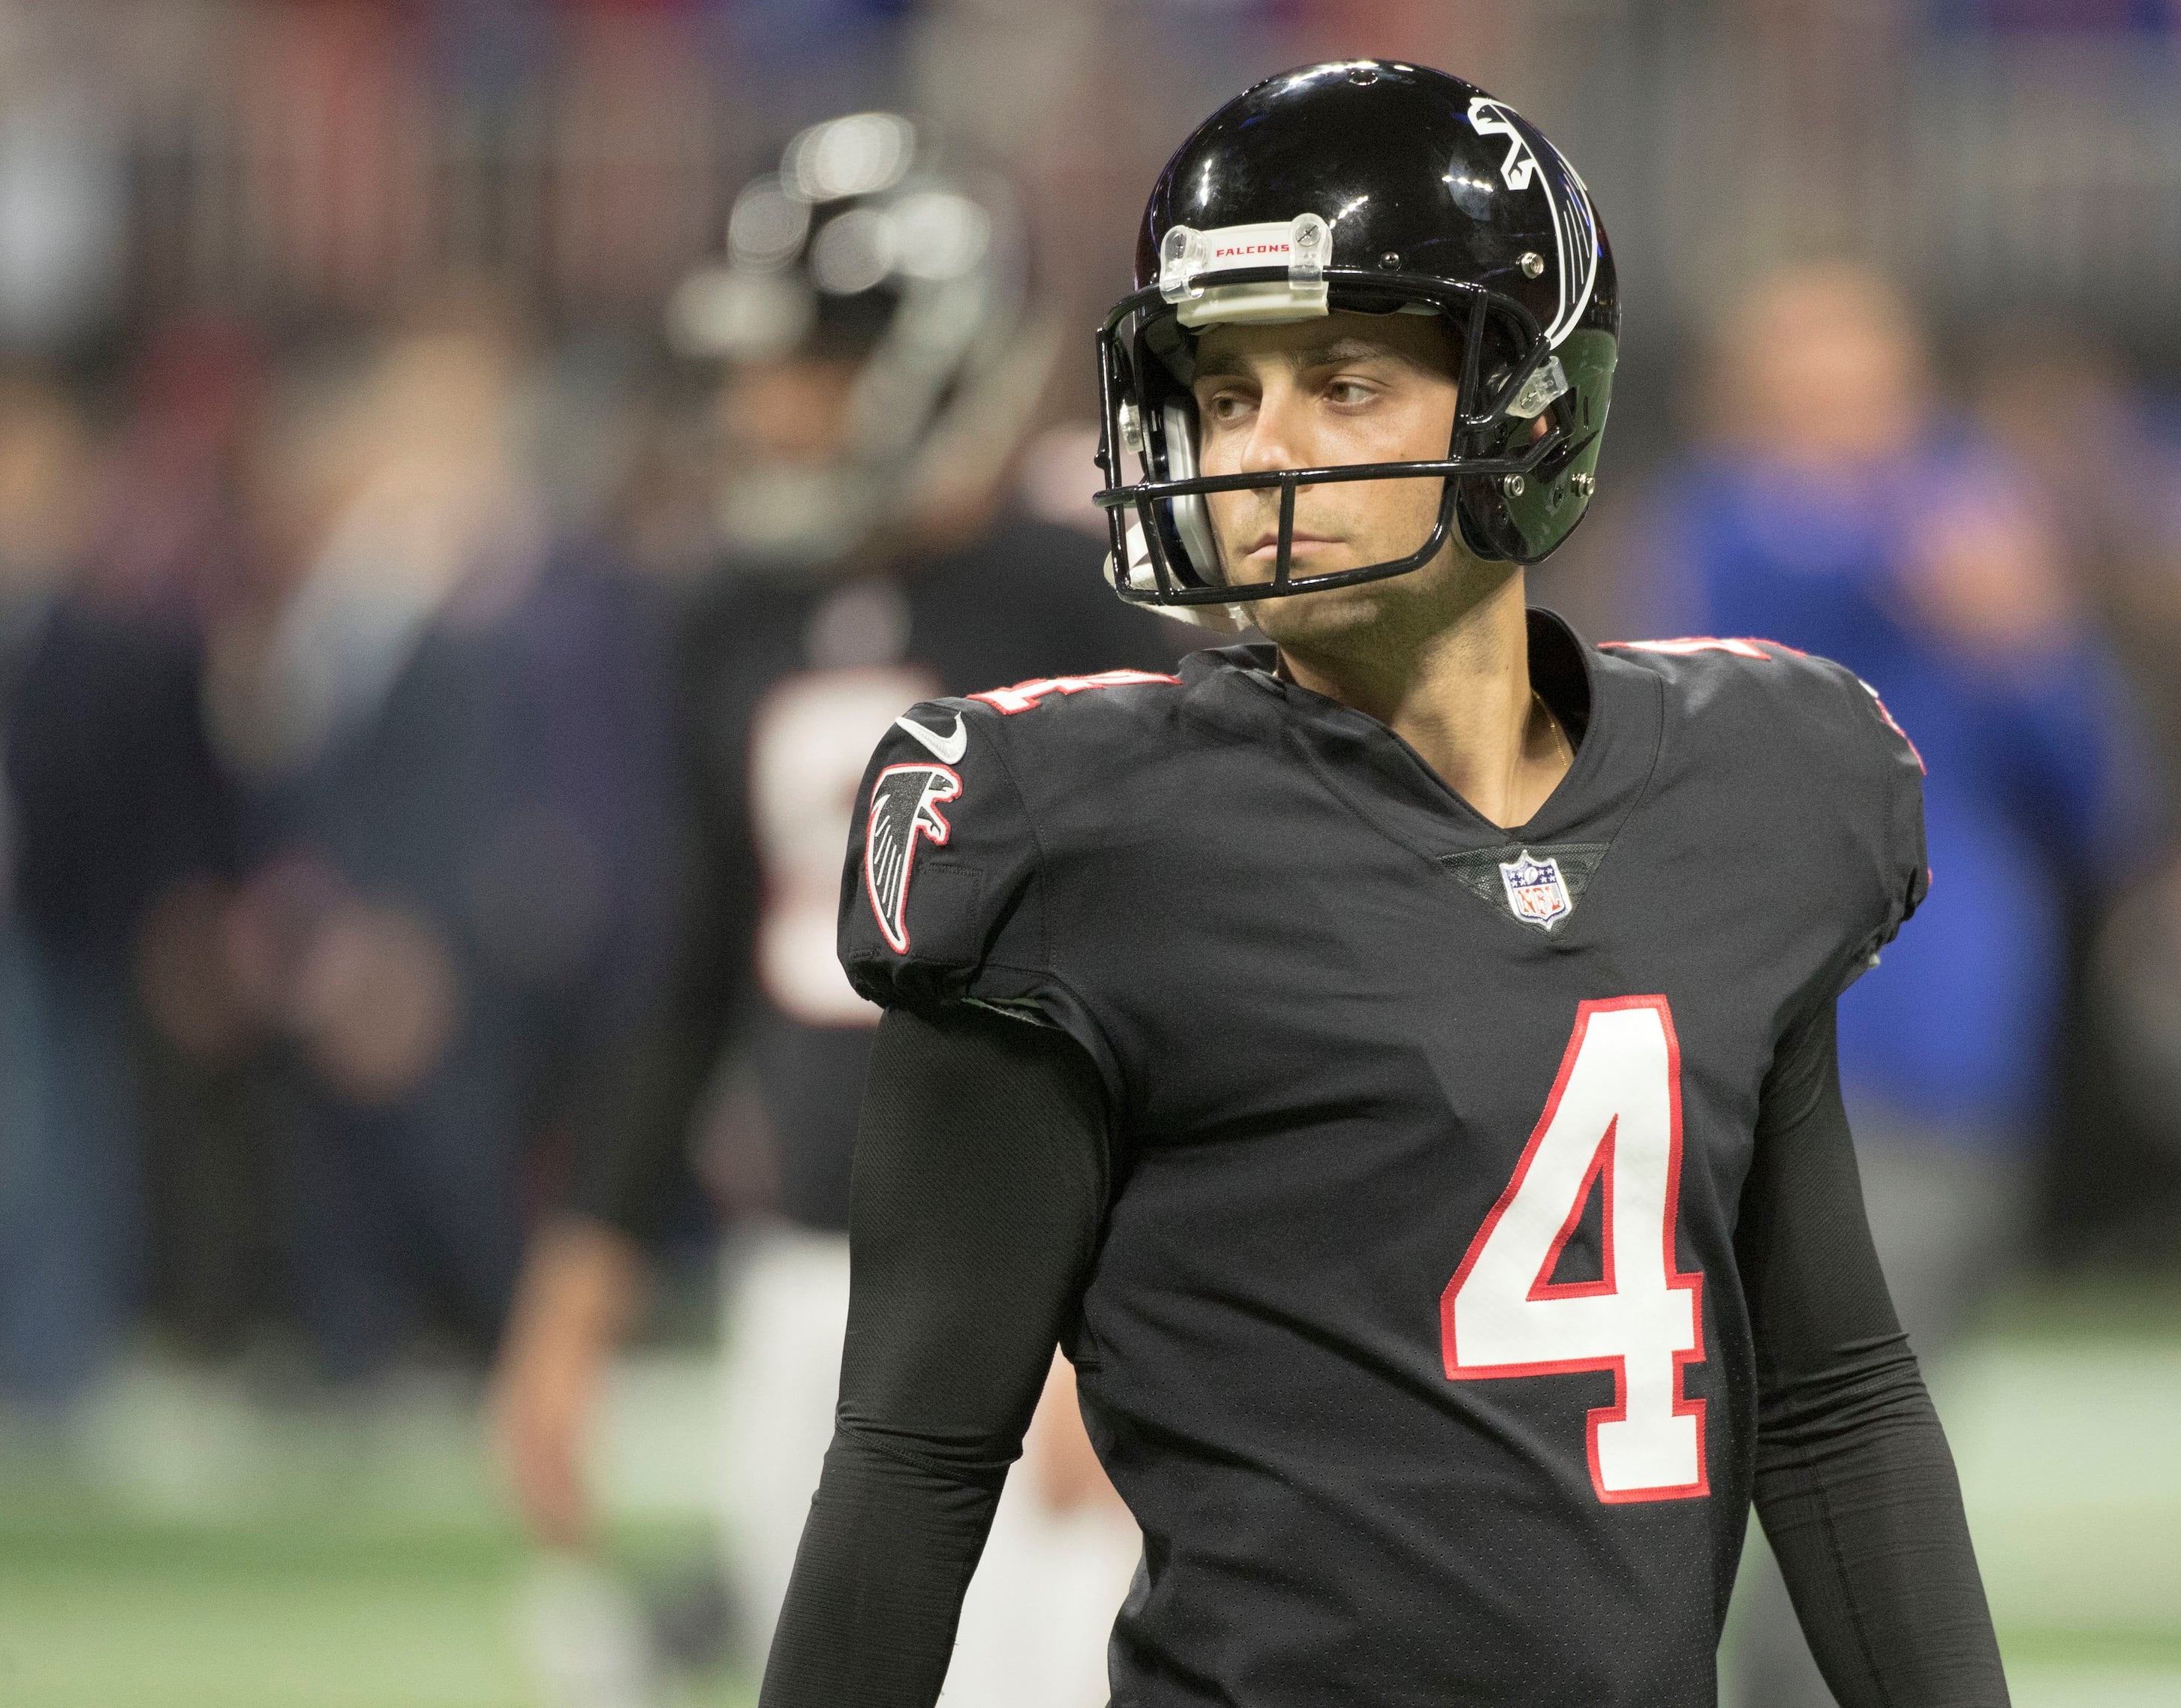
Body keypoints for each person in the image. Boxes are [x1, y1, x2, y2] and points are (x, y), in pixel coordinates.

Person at [763, 64, 2010, 1708]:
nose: (1258, 450)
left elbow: (1837, 1403)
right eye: (1223, 394)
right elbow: (914, 1463)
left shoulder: (1755, 784)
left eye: (1342, 383)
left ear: (1528, 404)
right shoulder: (1078, 838)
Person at [486, 115, 1171, 1699]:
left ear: (927, 357)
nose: (762, 408)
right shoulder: (728, 612)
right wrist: (578, 1283)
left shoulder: (1086, 612)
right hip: (801, 1267)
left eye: (801, 364)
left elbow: (1168, 990)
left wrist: (1120, 1297)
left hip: (1031, 1275)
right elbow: (695, 969)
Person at [1647, 263, 2136, 1708]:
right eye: (1804, 382)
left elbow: (2105, 793)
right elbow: (1727, 621)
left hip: (1933, 1063)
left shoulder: (1984, 536)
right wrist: (1914, 538)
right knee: (1721, 1446)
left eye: (1861, 380)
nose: (1840, 417)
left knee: (1852, 1437)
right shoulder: (1739, 524)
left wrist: (2031, 631)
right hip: (1748, 1044)